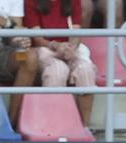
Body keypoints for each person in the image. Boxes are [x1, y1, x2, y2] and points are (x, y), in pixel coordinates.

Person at [24, 0, 97, 129]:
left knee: (85, 70)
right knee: (58, 70)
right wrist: (56, 45)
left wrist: (72, 48)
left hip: (68, 46)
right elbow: (37, 38)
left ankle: (85, 127)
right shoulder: (31, 1)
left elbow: (76, 32)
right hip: (45, 47)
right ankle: (52, 126)